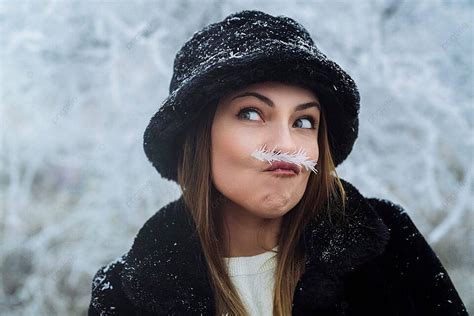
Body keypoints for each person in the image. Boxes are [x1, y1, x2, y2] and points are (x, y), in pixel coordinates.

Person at [88, 9, 468, 316]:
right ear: (197, 135)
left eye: (304, 122)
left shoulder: (389, 247)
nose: (287, 145)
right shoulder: (125, 296)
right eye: (251, 113)